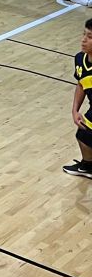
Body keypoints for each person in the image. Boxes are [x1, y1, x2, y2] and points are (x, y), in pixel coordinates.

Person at [63, 19, 92, 178]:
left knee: (85, 133)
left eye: (90, 37)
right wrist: (75, 110)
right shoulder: (80, 59)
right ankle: (88, 166)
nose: (83, 40)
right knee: (83, 133)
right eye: (84, 34)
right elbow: (81, 84)